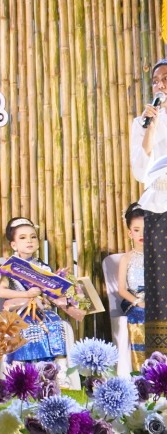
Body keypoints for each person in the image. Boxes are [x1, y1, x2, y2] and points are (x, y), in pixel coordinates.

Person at [0, 217, 84, 363]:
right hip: (20, 311)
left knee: (56, 324)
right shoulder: (11, 266)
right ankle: (26, 368)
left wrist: (61, 288)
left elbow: (49, 295)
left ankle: (55, 367)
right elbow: (1, 292)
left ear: (38, 242)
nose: (29, 241)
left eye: (33, 237)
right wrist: (26, 294)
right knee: (29, 328)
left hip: (41, 310)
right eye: (23, 238)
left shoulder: (43, 268)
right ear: (14, 245)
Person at [130, 58, 167, 355]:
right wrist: (150, 130)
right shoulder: (141, 123)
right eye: (155, 81)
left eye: (166, 79)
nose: (160, 85)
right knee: (159, 284)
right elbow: (141, 173)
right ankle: (161, 360)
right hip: (157, 207)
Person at [117, 202, 146, 369]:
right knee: (141, 315)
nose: (142, 234)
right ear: (130, 233)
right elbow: (121, 289)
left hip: (156, 301)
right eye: (136, 230)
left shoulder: (159, 257)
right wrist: (138, 302)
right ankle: (141, 367)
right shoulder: (126, 259)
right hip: (134, 301)